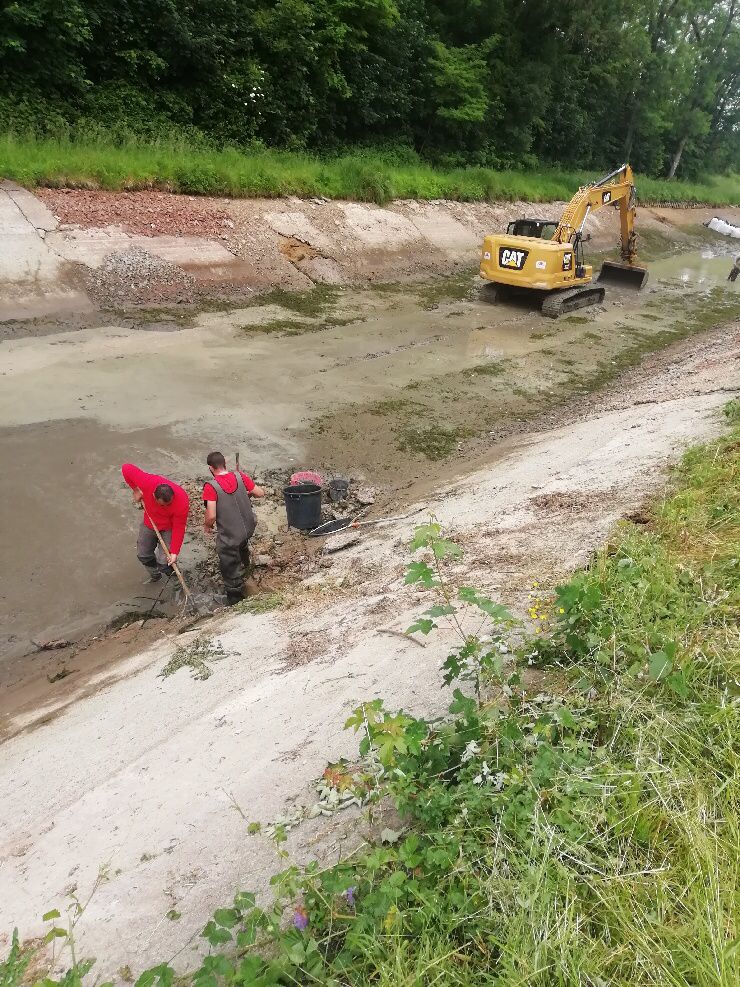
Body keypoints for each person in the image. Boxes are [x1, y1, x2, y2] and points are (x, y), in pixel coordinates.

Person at [202, 452, 265, 604]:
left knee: (227, 553)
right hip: (249, 527)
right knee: (241, 543)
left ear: (211, 468)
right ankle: (245, 565)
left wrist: (207, 526)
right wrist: (245, 494)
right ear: (225, 463)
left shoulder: (211, 486)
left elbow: (211, 516)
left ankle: (234, 592)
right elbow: (260, 493)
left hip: (232, 534)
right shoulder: (239, 476)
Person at [122, 463, 190, 581]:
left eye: (169, 504)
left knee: (165, 563)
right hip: (150, 522)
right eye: (163, 505)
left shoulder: (182, 501)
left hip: (169, 528)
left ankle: (177, 581)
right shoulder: (147, 482)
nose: (167, 507)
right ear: (154, 495)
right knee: (143, 555)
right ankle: (155, 575)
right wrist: (136, 489)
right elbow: (126, 468)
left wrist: (174, 552)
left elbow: (179, 527)